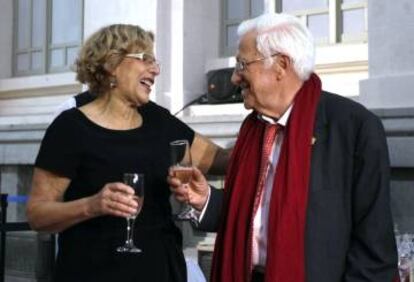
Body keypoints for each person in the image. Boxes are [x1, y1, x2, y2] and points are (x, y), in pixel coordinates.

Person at [168, 12, 399, 282]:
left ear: (281, 65)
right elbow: (251, 219)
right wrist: (206, 198)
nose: (234, 78)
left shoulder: (354, 128)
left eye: (242, 65)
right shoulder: (252, 129)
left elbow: (374, 250)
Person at [26, 24, 228, 282]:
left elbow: (221, 160)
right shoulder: (70, 128)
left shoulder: (159, 121)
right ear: (111, 63)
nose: (155, 70)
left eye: (155, 62)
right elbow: (37, 215)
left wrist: (266, 131)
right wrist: (91, 205)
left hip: (161, 269)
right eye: (146, 59)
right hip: (92, 271)